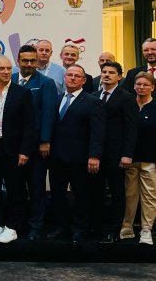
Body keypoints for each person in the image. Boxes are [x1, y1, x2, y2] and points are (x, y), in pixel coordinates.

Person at [46, 65, 105, 246]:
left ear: (83, 80)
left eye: (77, 76)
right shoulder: (57, 99)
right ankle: (61, 226)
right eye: (69, 75)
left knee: (81, 195)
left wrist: (94, 156)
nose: (72, 78)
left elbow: (98, 132)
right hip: (57, 159)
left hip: (81, 159)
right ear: (64, 78)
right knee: (57, 195)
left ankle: (80, 229)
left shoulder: (93, 101)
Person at [0, 56, 35, 244]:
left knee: (15, 189)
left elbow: (29, 124)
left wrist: (25, 151)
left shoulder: (22, 93)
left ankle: (12, 226)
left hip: (14, 149)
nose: (6, 72)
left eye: (8, 68)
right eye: (2, 69)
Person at [13, 44, 60, 240]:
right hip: (14, 144)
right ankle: (18, 224)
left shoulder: (46, 83)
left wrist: (45, 140)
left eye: (33, 61)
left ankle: (35, 225)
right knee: (16, 187)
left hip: (36, 145)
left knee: (36, 186)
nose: (29, 64)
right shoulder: (11, 79)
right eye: (25, 61)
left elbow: (49, 113)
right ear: (18, 61)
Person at [92, 61, 137, 245]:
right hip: (95, 154)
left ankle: (114, 231)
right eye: (104, 72)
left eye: (111, 72)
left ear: (119, 76)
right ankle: (96, 228)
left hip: (116, 155)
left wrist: (127, 154)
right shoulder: (94, 96)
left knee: (117, 194)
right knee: (96, 193)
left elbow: (131, 129)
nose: (107, 75)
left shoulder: (126, 97)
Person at [122, 72, 156, 244]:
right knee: (129, 195)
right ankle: (127, 227)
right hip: (129, 159)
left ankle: (146, 230)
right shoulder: (128, 104)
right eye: (138, 84)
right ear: (134, 86)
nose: (141, 87)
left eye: (145, 85)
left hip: (150, 159)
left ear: (152, 87)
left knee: (149, 197)